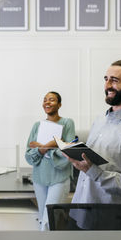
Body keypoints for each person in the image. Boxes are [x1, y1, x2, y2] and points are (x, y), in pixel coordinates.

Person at [66, 60, 121, 228]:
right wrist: (75, 154)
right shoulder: (101, 120)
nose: (107, 85)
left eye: (114, 80)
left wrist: (94, 171)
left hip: (109, 219)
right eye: (106, 79)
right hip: (80, 209)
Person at [25, 91, 75, 230]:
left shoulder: (67, 123)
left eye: (51, 100)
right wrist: (52, 144)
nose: (47, 102)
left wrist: (41, 146)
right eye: (45, 100)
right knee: (43, 218)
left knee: (50, 220)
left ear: (59, 104)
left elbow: (68, 151)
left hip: (59, 177)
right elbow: (29, 154)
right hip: (39, 177)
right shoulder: (37, 125)